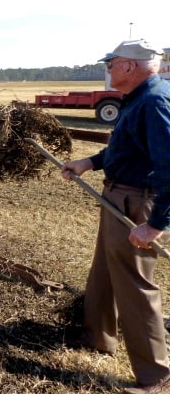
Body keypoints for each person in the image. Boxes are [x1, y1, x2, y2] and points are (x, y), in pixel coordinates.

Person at [61, 39, 170, 393]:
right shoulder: (138, 98)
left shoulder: (155, 101)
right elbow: (125, 146)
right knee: (105, 272)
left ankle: (155, 375)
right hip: (117, 195)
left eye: (111, 64)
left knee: (136, 286)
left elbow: (169, 167)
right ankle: (98, 338)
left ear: (129, 66)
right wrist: (89, 163)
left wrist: (155, 225)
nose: (107, 70)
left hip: (137, 202)